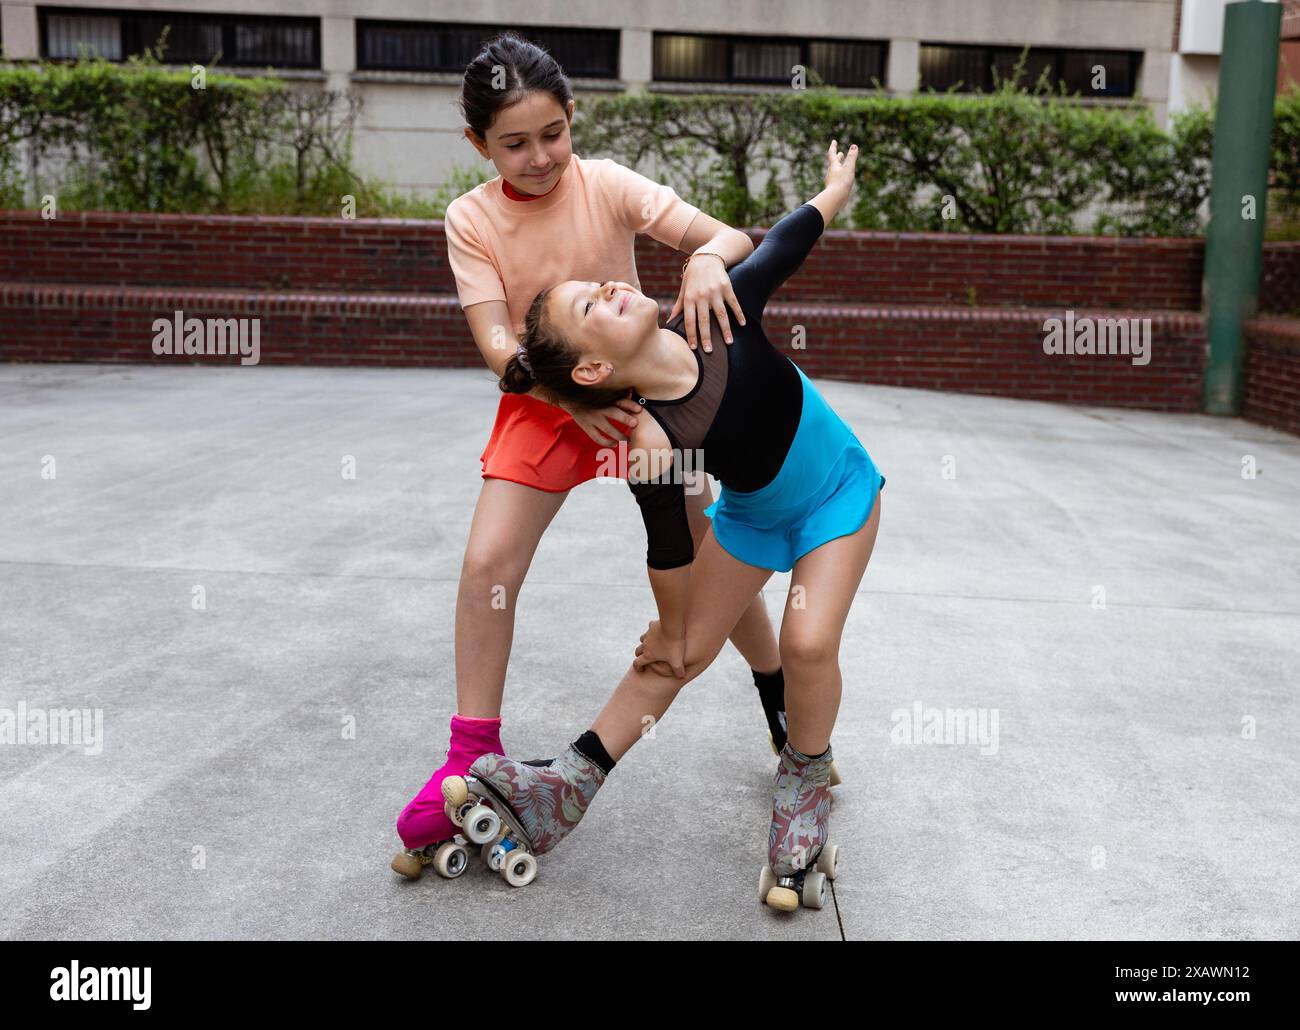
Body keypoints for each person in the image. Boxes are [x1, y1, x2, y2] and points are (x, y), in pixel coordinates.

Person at [393, 32, 787, 871]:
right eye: (513, 143)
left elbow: (727, 237)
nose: (538, 158)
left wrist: (711, 263)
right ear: (478, 144)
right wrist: (561, 396)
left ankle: (779, 695)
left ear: (572, 119)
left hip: (638, 405)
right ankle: (471, 756)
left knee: (713, 560)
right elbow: (499, 341)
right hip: (541, 402)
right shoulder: (471, 218)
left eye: (552, 135)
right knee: (487, 565)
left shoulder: (604, 182)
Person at [464, 140, 885, 900]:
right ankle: (565, 786)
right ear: (593, 371)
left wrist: (835, 189)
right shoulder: (650, 443)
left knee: (807, 641)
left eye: (597, 283)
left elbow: (787, 238)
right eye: (591, 305)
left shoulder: (715, 306)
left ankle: (805, 781)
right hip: (754, 518)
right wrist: (670, 628)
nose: (609, 287)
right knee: (671, 656)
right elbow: (668, 550)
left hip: (838, 496)